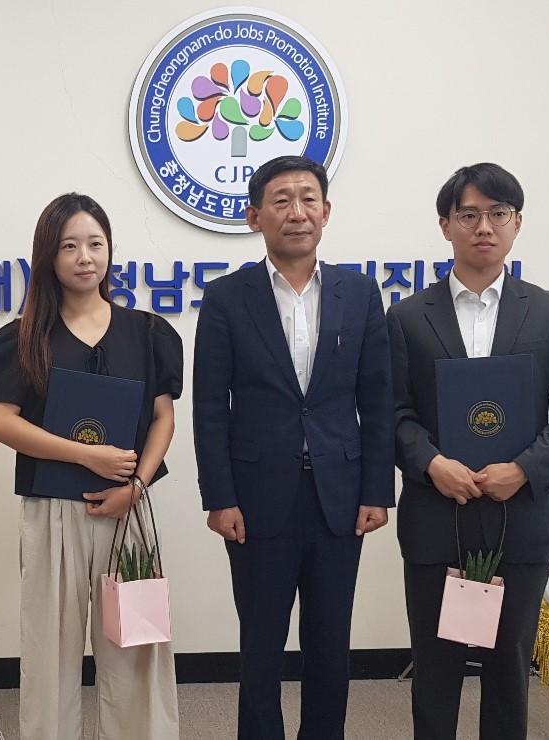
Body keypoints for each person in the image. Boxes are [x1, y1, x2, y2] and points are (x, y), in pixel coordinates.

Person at [386, 163, 549, 740]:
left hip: (520, 516)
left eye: (498, 213)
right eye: (469, 214)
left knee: (509, 670)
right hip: (438, 516)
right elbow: (392, 413)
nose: (484, 226)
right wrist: (432, 463)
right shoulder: (406, 317)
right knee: (435, 669)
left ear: (517, 223)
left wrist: (525, 469)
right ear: (445, 225)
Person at [193, 155, 395, 739]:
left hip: (339, 497)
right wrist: (219, 498)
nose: (297, 212)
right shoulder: (227, 297)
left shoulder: (360, 294)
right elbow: (210, 406)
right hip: (256, 500)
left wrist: (377, 491)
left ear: (326, 212)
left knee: (330, 642)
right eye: (281, 201)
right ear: (255, 216)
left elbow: (377, 400)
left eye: (308, 199)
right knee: (260, 644)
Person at [0, 193, 182, 740]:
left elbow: (163, 418)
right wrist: (85, 454)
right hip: (53, 512)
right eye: (69, 246)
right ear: (49, 256)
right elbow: (1, 422)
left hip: (128, 510)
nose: (85, 257)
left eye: (96, 243)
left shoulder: (147, 332)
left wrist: (136, 485)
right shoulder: (21, 338)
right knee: (50, 650)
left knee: (138, 645)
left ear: (109, 250)